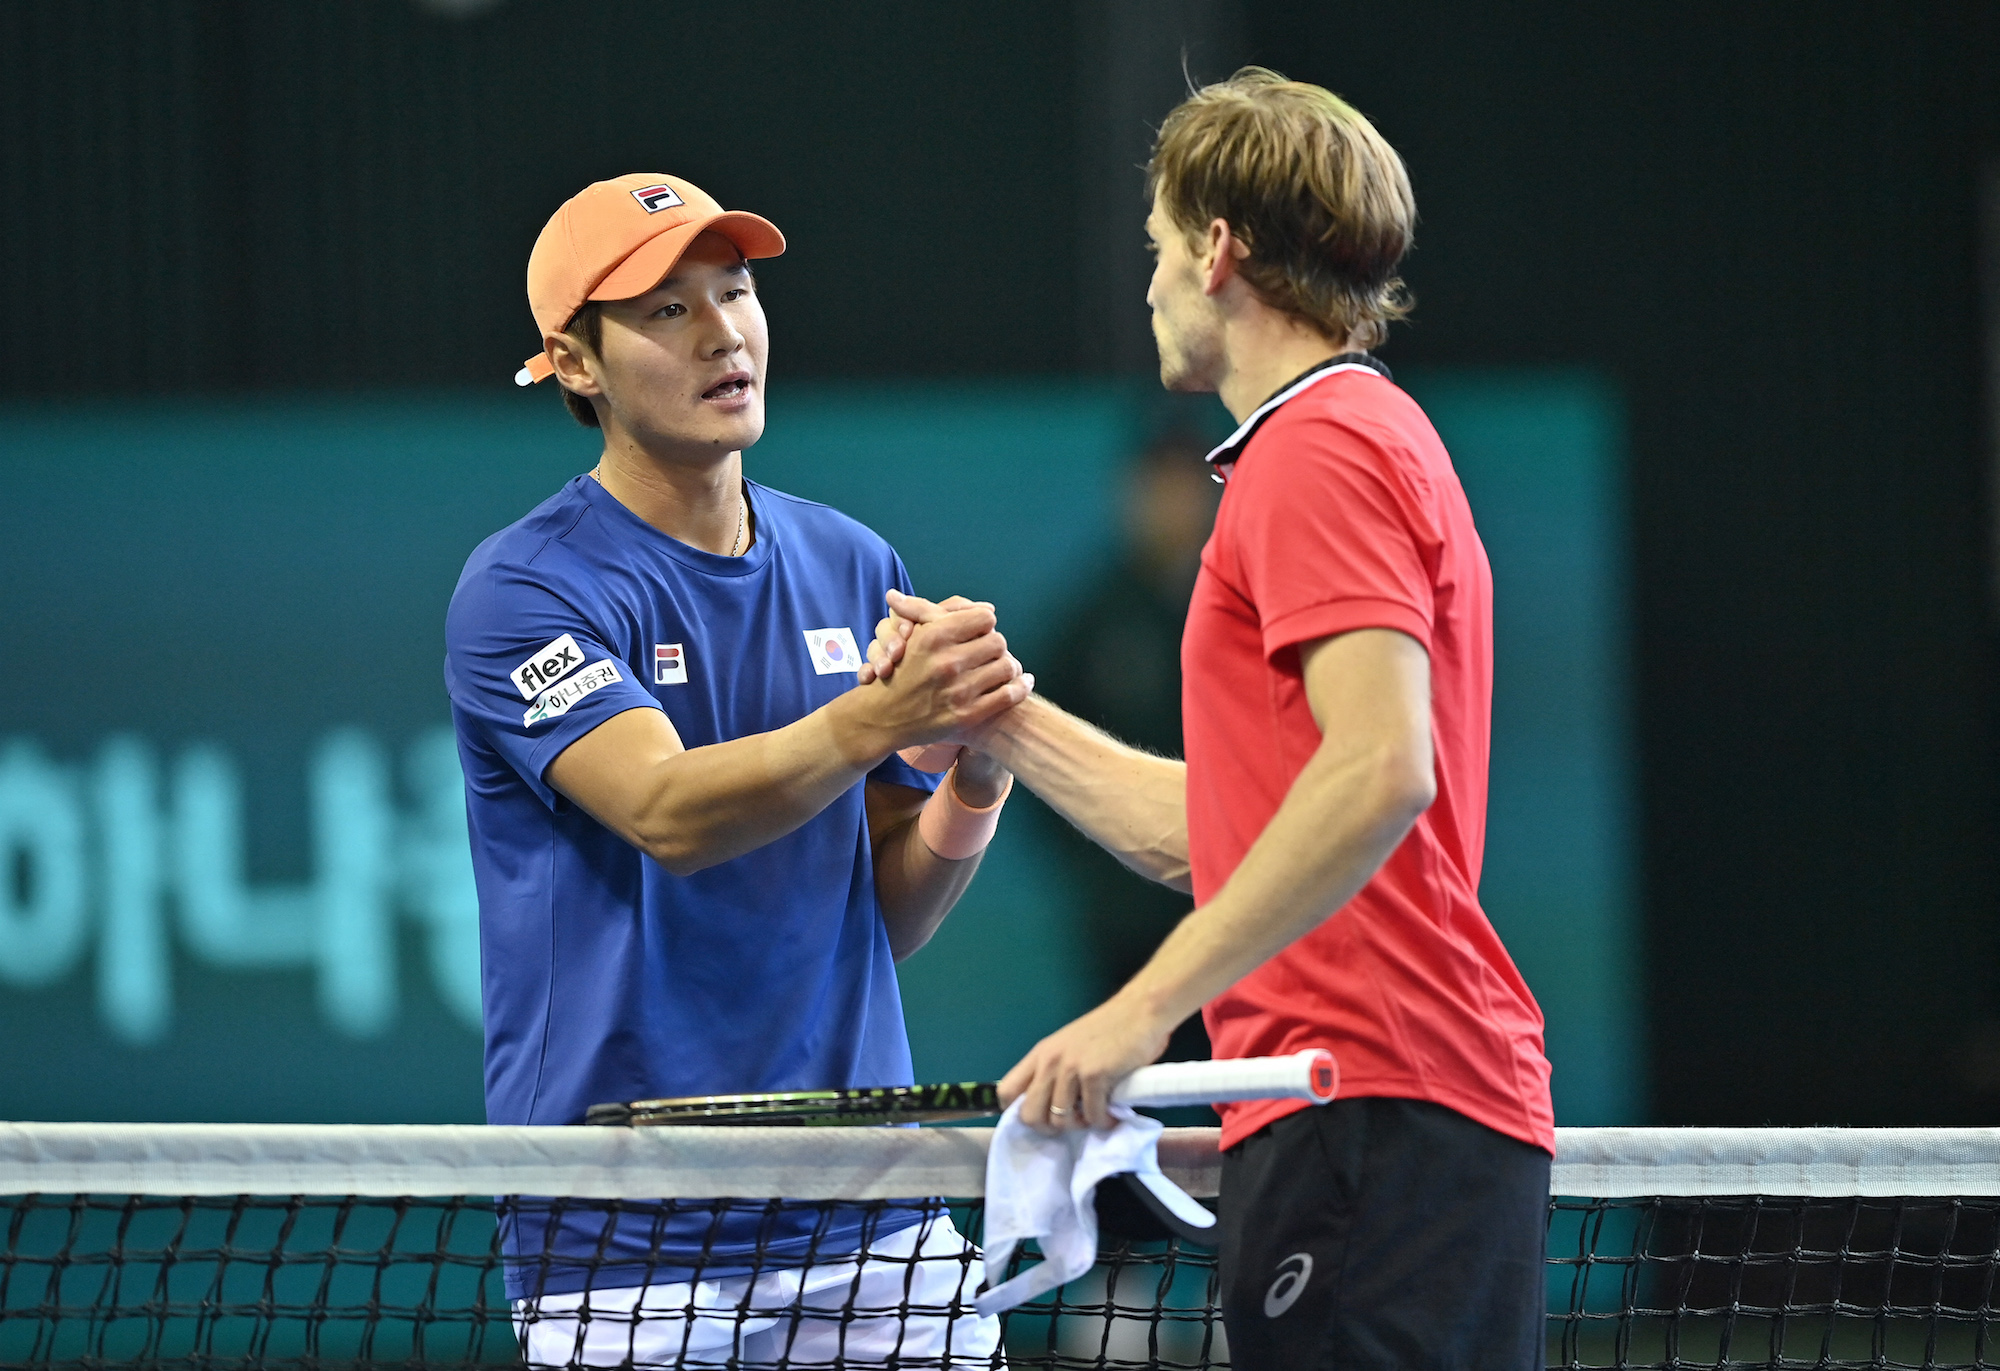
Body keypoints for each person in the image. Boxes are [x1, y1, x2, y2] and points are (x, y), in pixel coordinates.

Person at [864, 70, 1554, 1369]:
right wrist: (997, 715)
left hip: (1373, 1103)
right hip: (1350, 1110)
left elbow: (1378, 770)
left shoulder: (1322, 445)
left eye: (1159, 248)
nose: (1150, 287)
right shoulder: (1334, 442)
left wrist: (1141, 1009)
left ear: (1220, 249)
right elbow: (1225, 832)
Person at [444, 173, 1021, 1367]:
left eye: (736, 290)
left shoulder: (851, 559)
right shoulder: (524, 592)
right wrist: (874, 724)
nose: (722, 333)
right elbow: (664, 811)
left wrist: (972, 777)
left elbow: (881, 913)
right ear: (576, 363)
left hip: (870, 1216)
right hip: (625, 1246)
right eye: (664, 310)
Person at [1032, 431, 1218, 1071]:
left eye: (1185, 486)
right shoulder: (1094, 616)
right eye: (1156, 487)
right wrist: (1098, 869)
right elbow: (1041, 753)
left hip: (1237, 903)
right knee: (1131, 1096)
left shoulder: (1243, 603)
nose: (1171, 504)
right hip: (1129, 920)